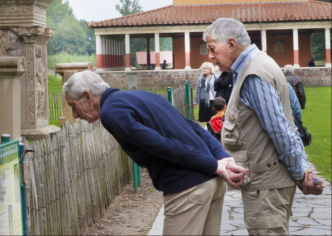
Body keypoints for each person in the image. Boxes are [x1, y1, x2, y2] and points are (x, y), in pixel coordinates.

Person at [63, 71, 248, 236]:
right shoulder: (142, 96)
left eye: (74, 105)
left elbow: (162, 145)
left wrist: (215, 164)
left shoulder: (111, 113)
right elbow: (191, 126)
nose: (75, 115)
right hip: (212, 183)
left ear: (88, 96)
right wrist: (222, 157)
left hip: (189, 188)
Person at [203, 18, 325, 236]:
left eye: (212, 49)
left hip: (267, 187)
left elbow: (281, 132)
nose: (210, 56)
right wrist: (303, 168)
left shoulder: (253, 74)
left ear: (231, 45)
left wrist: (300, 175)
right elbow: (288, 124)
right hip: (268, 184)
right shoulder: (260, 64)